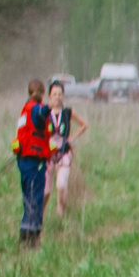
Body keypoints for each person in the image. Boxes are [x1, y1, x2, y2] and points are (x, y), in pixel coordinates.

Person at [10, 80, 51, 247]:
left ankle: (24, 233)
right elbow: (41, 115)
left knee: (28, 197)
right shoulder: (35, 108)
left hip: (23, 160)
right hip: (34, 161)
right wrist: (51, 107)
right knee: (36, 197)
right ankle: (32, 238)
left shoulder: (24, 110)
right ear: (42, 93)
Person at [44, 80, 87, 213]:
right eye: (54, 94)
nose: (57, 97)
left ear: (63, 96)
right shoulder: (44, 112)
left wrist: (71, 138)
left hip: (64, 152)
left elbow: (84, 124)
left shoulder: (68, 112)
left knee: (61, 185)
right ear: (49, 96)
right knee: (46, 190)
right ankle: (41, 214)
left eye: (59, 94)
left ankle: (61, 213)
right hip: (47, 154)